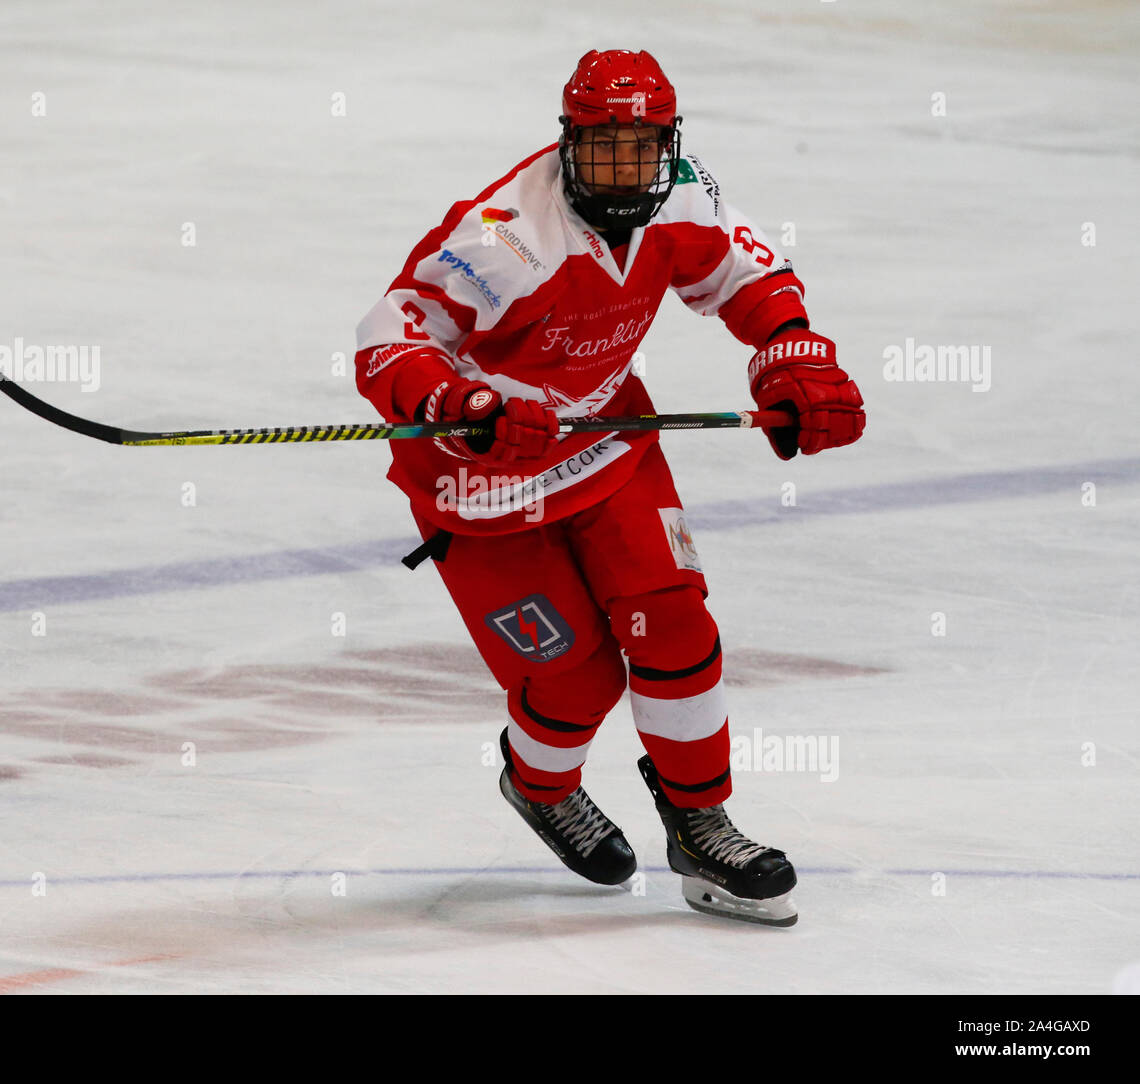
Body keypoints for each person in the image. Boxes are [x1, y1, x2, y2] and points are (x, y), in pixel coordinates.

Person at [354, 49, 864, 926]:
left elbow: (745, 274)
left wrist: (789, 351)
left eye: (641, 150)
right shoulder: (505, 236)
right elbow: (388, 337)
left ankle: (701, 824)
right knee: (576, 682)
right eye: (602, 150)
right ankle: (540, 784)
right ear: (567, 145)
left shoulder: (683, 193)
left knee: (673, 620)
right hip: (481, 480)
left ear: (669, 144)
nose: (624, 171)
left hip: (603, 442)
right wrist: (456, 401)